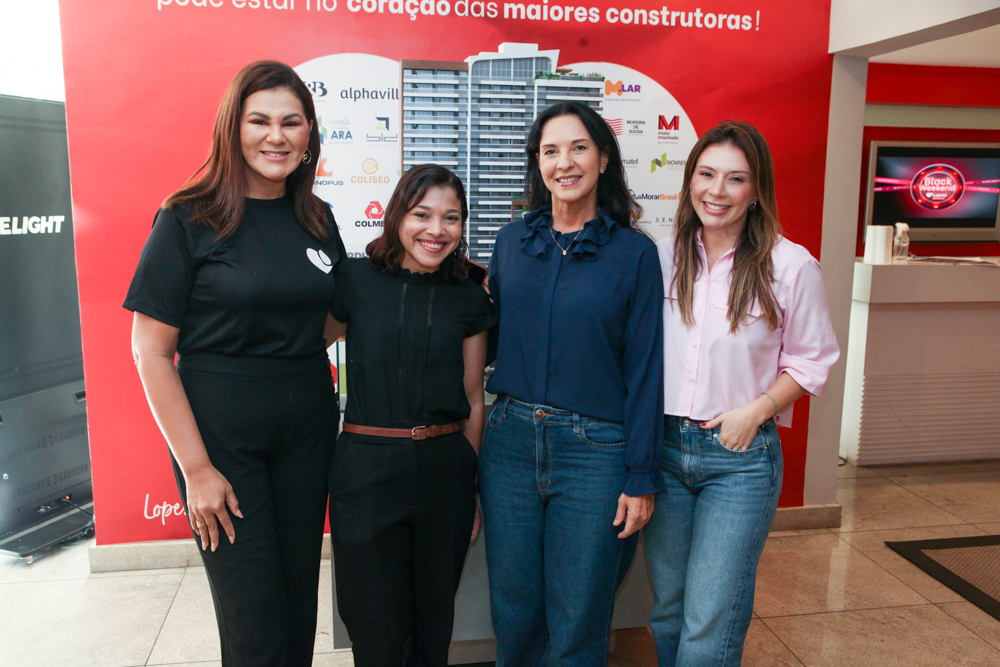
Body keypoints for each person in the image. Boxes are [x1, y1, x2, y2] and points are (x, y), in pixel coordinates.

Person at [125, 60, 343, 667]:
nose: (276, 136)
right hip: (221, 441)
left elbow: (329, 321)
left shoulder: (317, 220)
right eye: (259, 120)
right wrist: (196, 469)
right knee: (253, 620)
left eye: (291, 122)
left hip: (307, 429)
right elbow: (150, 351)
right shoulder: (187, 217)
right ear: (233, 129)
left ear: (308, 136)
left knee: (300, 604)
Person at [642, 120, 840, 667]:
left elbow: (813, 360)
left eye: (735, 179)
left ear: (756, 191)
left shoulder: (790, 265)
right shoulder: (660, 257)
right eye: (706, 174)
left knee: (711, 615)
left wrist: (755, 412)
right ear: (689, 181)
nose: (717, 191)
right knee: (668, 608)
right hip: (662, 449)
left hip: (739, 458)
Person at [479, 101, 665, 666]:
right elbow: (485, 337)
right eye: (550, 151)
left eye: (578, 147)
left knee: (580, 613)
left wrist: (641, 473)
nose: (565, 162)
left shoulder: (634, 253)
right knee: (513, 609)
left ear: (603, 159)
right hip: (509, 442)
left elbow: (645, 368)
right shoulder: (512, 243)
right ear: (537, 164)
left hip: (596, 453)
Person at [326, 164, 496, 667]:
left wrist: (469, 483)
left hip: (445, 470)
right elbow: (303, 347)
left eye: (451, 218)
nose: (436, 230)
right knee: (374, 626)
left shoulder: (470, 295)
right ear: (398, 214)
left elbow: (473, 396)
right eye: (422, 214)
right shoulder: (355, 280)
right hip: (364, 468)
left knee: (432, 627)